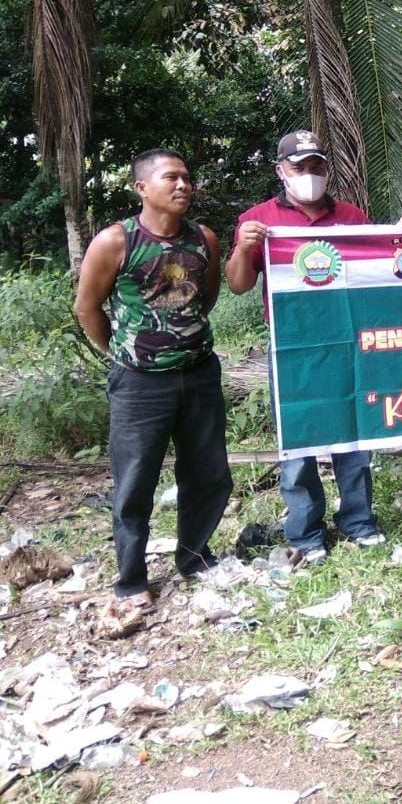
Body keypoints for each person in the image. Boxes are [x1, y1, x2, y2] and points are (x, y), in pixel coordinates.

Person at [74, 148, 233, 612]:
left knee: (208, 473)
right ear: (142, 188)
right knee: (135, 482)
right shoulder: (115, 242)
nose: (184, 185)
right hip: (139, 385)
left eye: (187, 177)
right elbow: (87, 308)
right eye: (171, 178)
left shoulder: (203, 239)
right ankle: (131, 578)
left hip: (200, 374)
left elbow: (205, 298)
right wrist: (124, 355)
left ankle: (196, 557)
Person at [226, 130, 384, 563]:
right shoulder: (258, 219)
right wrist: (243, 248)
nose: (309, 176)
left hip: (346, 341)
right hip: (291, 347)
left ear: (327, 170)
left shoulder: (352, 217)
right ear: (281, 171)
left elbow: (377, 274)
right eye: (299, 168)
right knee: (298, 441)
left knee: (354, 434)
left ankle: (358, 521)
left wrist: (399, 243)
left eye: (316, 167)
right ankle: (305, 532)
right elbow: (238, 284)